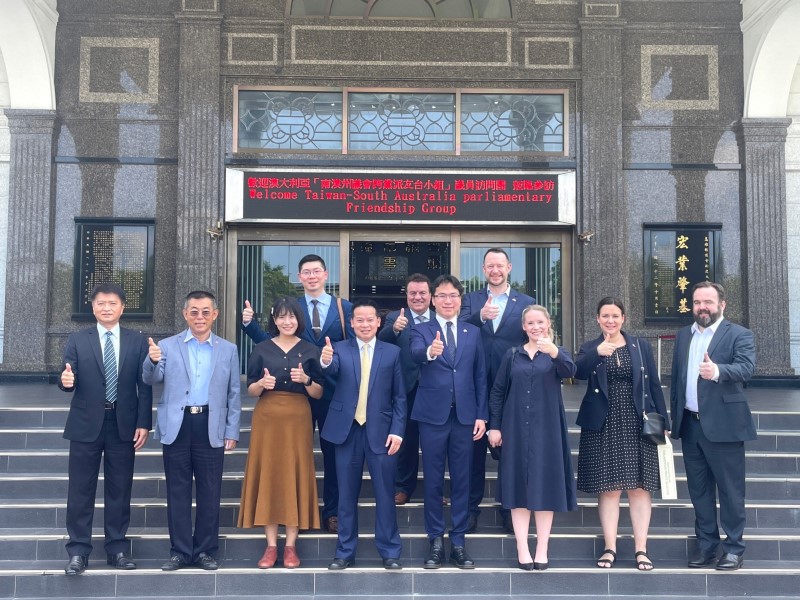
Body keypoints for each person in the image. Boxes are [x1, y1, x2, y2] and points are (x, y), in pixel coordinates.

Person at [242, 254, 354, 534]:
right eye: (306, 272)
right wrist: (249, 325)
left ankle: (331, 512)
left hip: (330, 392)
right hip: (294, 396)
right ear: (299, 277)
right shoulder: (291, 308)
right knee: (293, 456)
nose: (312, 276)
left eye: (316, 271)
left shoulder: (344, 308)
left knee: (332, 454)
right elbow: (273, 344)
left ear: (326, 274)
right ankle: (294, 512)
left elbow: (355, 346)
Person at [58, 283, 152, 575]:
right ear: (93, 307)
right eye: (101, 303)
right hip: (85, 424)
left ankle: (117, 549)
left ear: (123, 308)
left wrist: (144, 422)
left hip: (123, 425)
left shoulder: (137, 341)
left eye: (112, 303)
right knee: (80, 490)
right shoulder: (78, 339)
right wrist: (65, 382)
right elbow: (67, 375)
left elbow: (144, 385)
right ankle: (78, 551)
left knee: (119, 489)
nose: (107, 308)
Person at [143, 290, 241, 571]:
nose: (200, 317)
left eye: (206, 312)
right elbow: (150, 379)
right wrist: (152, 360)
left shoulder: (228, 349)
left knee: (210, 491)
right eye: (194, 312)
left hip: (210, 424)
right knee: (178, 491)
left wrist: (232, 430)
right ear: (185, 314)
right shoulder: (166, 346)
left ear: (215, 315)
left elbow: (234, 393)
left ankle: (205, 551)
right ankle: (180, 551)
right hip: (178, 425)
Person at [575, 297, 669, 571]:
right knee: (609, 489)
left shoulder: (639, 345)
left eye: (615, 316)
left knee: (639, 489)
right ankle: (610, 547)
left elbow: (653, 384)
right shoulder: (590, 347)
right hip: (603, 423)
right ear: (597, 319)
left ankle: (641, 549)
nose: (610, 320)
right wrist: (598, 353)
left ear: (623, 318)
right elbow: (577, 373)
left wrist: (663, 420)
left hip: (637, 421)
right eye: (605, 316)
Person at [670, 281, 756, 571]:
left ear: (722, 304)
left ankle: (733, 549)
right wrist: (674, 420)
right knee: (699, 492)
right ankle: (707, 546)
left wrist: (717, 370)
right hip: (691, 426)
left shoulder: (739, 334)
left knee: (730, 492)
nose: (702, 307)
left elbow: (747, 368)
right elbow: (677, 380)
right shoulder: (684, 335)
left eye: (708, 302)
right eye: (697, 302)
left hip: (724, 426)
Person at [487, 305, 577, 570]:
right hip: (514, 427)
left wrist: (554, 351)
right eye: (530, 323)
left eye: (540, 322)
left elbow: (571, 371)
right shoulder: (512, 355)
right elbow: (498, 391)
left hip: (547, 429)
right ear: (523, 327)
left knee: (544, 486)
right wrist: (495, 426)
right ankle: (522, 547)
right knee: (517, 486)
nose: (536, 327)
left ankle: (542, 547)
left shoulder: (557, 353)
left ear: (548, 323)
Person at [238, 297, 324, 569]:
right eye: (282, 317)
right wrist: (262, 384)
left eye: (292, 317)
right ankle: (271, 545)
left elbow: (319, 392)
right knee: (270, 475)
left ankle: (291, 546)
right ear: (274, 320)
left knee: (294, 474)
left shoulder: (310, 349)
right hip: (267, 417)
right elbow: (251, 389)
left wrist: (306, 380)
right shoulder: (262, 348)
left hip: (298, 416)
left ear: (299, 320)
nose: (287, 322)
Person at [320, 299, 407, 570]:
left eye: (370, 319)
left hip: (381, 432)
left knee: (385, 494)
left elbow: (400, 397)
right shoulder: (338, 349)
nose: (365, 324)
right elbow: (332, 369)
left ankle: (390, 551)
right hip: (347, 432)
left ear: (379, 322)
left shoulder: (392, 352)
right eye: (359, 320)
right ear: (352, 323)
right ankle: (344, 552)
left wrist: (398, 431)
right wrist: (325, 361)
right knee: (346, 495)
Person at [410, 274, 488, 569]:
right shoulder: (422, 329)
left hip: (465, 417)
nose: (447, 300)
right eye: (441, 295)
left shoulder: (473, 332)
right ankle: (435, 541)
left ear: (460, 299)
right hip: (432, 417)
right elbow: (415, 353)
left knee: (462, 480)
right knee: (432, 481)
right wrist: (430, 352)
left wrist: (482, 414)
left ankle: (458, 542)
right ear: (433, 300)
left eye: (453, 295)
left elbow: (480, 376)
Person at [460, 248, 535, 533]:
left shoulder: (526, 302)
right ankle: (470, 510)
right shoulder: (470, 300)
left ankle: (509, 509)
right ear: (483, 270)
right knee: (473, 452)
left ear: (509, 268)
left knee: (510, 453)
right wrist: (479, 317)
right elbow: (458, 328)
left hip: (512, 386)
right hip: (474, 384)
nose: (495, 270)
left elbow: (534, 335)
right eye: (490, 266)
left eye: (499, 265)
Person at [377, 273, 433, 505]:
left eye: (422, 293)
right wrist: (394, 329)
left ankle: (434, 490)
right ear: (406, 295)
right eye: (413, 293)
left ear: (430, 295)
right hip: (406, 388)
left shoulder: (439, 316)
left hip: (433, 388)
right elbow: (380, 341)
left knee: (433, 442)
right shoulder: (395, 317)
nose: (417, 297)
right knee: (407, 439)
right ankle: (403, 487)